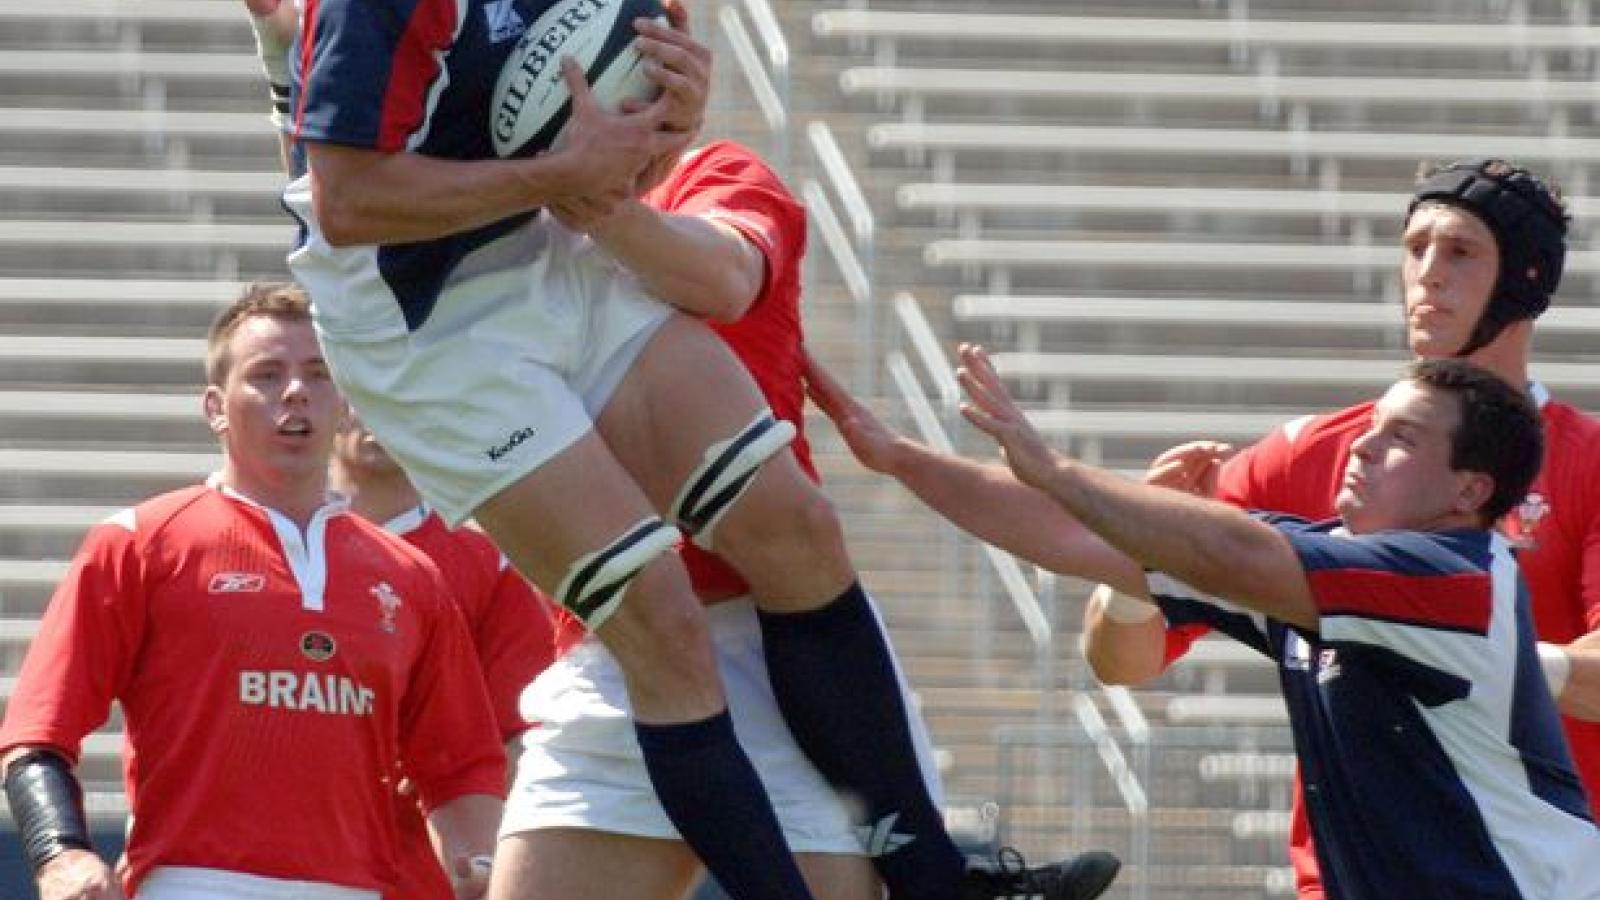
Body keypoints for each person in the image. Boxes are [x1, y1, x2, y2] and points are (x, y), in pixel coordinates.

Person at [262, 0, 1115, 896]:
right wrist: (561, 171)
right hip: (424, 329)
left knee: (796, 528)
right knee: (660, 618)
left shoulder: (712, 176)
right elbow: (345, 203)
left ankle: (941, 882)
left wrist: (664, 115)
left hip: (540, 247)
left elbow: (632, 122)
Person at [495, 137, 1121, 900]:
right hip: (616, 652)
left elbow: (725, 279)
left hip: (788, 661)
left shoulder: (716, 171)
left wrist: (593, 205)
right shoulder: (509, 232)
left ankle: (942, 878)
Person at [832, 345, 1600, 899]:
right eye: (1372, 424)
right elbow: (1078, 538)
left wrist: (1055, 467)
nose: (1363, 445)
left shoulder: (1456, 577)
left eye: (1401, 438)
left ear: (1470, 491)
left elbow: (1225, 546)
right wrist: (898, 456)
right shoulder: (1327, 567)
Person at [1076, 158, 1600, 898]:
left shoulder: (1589, 462)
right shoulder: (1311, 455)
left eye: (1459, 251)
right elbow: (1122, 660)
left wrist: (1483, 655)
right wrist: (1132, 569)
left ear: (1526, 279)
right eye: (1415, 248)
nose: (1427, 273)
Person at [0, 285, 507, 900]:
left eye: (318, 374)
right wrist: (61, 853)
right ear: (215, 407)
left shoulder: (411, 575)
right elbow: (36, 734)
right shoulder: (138, 542)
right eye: (267, 375)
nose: (295, 392)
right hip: (190, 884)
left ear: (343, 400)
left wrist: (480, 865)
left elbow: (460, 766)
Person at [330, 411, 564, 900]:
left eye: (396, 392)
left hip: (424, 876)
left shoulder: (485, 563)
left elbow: (527, 734)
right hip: (283, 863)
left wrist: (451, 777)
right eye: (359, 389)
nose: (376, 409)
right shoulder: (267, 551)